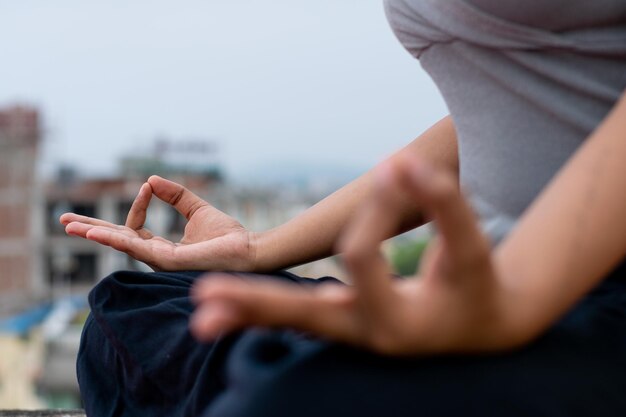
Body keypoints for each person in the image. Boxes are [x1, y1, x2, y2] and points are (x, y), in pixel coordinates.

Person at [60, 0, 626, 416]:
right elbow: (500, 114)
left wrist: (516, 296)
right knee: (124, 315)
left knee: (277, 399)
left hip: (589, 298)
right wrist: (255, 250)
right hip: (496, 287)